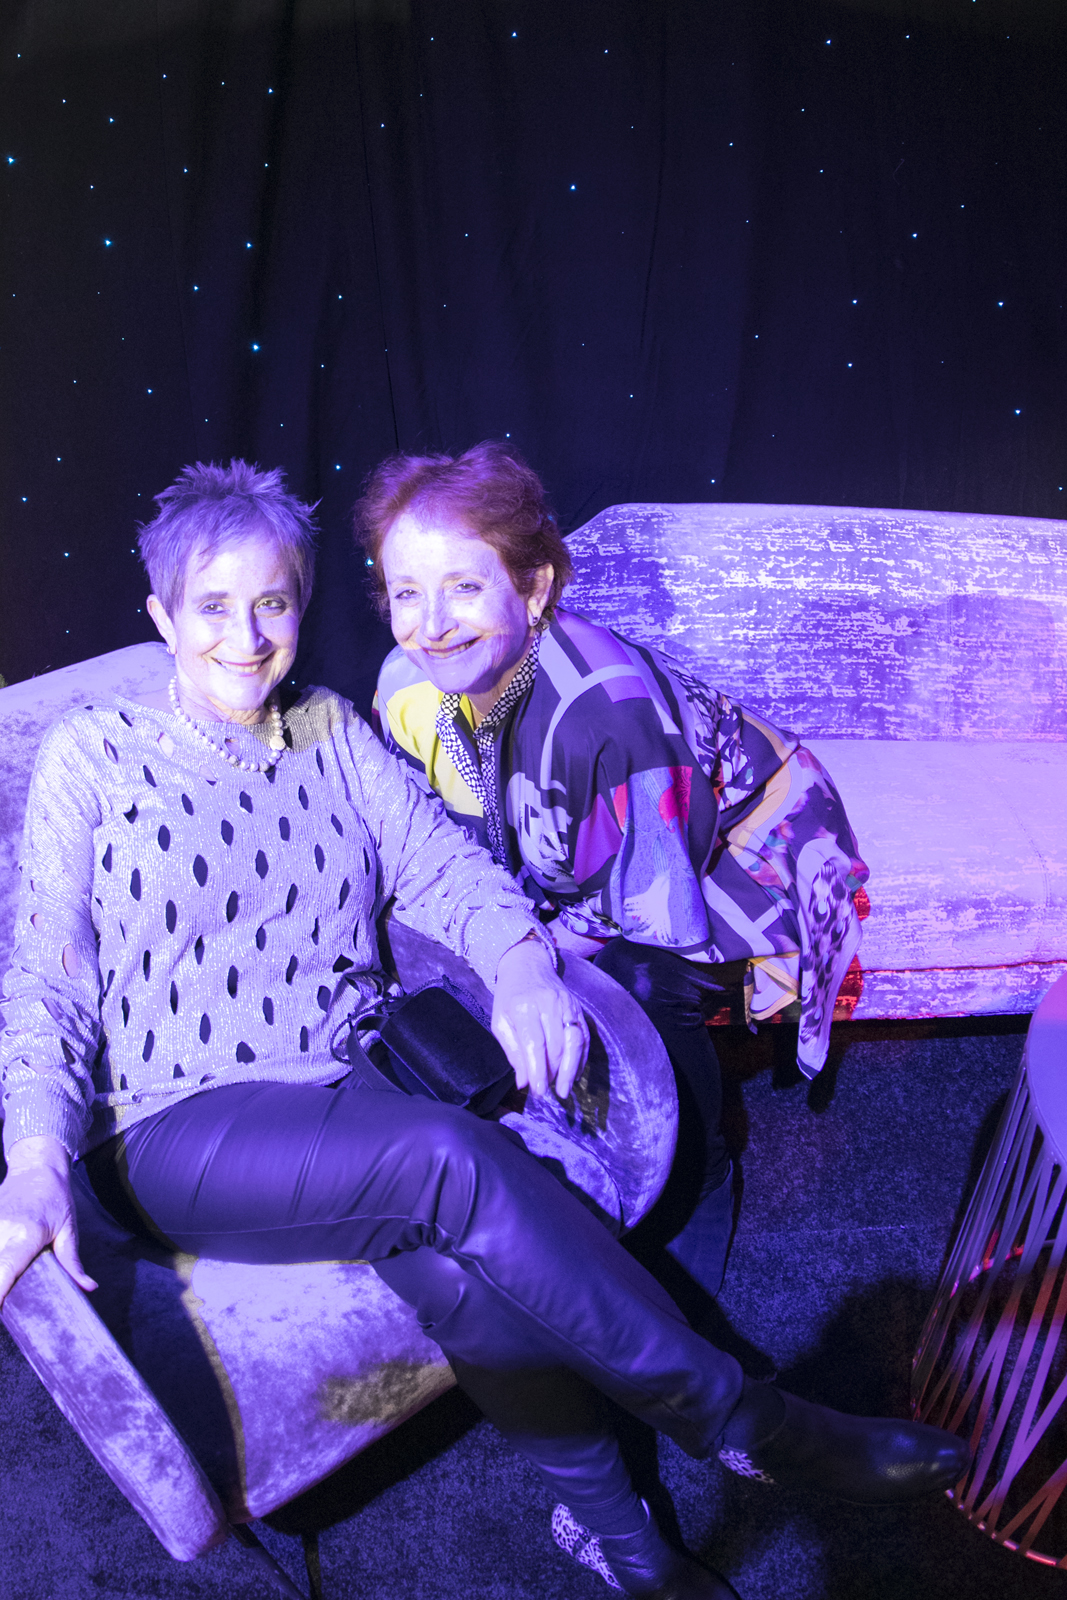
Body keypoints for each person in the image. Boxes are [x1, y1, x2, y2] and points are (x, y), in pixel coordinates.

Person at [0, 461, 965, 1600]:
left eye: (272, 603)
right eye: (211, 608)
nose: (247, 638)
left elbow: (446, 868)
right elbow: (45, 980)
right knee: (449, 1156)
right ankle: (749, 1418)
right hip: (175, 1119)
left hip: (338, 1087)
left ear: (300, 607)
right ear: (163, 615)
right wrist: (33, 1154)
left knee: (457, 1276)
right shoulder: (93, 752)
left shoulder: (332, 734)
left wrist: (519, 966)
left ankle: (627, 1544)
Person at [361, 442, 868, 1299]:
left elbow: (649, 913)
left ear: (533, 587)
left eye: (464, 586)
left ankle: (697, 1178)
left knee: (638, 990)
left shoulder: (605, 720)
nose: (431, 623)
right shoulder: (407, 684)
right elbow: (433, 831)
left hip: (738, 857)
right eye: (406, 592)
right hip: (589, 863)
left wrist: (520, 956)